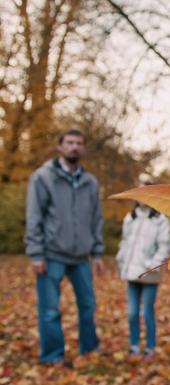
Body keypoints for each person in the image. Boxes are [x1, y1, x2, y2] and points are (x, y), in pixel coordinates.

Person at [25, 129, 104, 365]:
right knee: (50, 310)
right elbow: (34, 216)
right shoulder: (42, 177)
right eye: (69, 142)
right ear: (60, 147)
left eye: (79, 143)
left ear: (84, 148)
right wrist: (36, 253)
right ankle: (53, 356)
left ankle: (89, 351)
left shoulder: (91, 182)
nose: (74, 147)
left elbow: (96, 219)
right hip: (51, 254)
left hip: (81, 257)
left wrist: (98, 252)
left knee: (88, 306)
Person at [115, 198, 170, 359]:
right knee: (132, 313)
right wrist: (121, 260)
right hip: (131, 272)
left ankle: (150, 348)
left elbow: (164, 246)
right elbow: (125, 242)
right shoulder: (130, 217)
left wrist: (151, 265)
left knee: (147, 312)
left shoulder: (160, 220)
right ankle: (134, 346)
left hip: (149, 274)